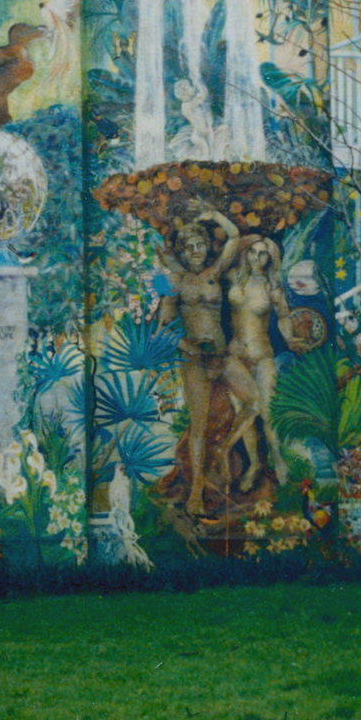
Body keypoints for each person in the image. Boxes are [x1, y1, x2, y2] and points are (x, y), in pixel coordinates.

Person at [156, 204, 242, 517]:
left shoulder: (215, 272)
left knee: (254, 401)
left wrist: (213, 214)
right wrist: (186, 345)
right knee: (199, 426)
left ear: (207, 246)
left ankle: (235, 461)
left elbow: (234, 237)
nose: (195, 251)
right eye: (189, 247)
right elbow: (162, 330)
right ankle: (196, 493)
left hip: (223, 355)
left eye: (200, 244)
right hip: (195, 359)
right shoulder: (176, 284)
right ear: (181, 251)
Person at [222, 234, 292, 492]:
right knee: (244, 415)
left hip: (263, 356)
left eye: (262, 253)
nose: (256, 257)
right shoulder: (232, 276)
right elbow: (232, 245)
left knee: (268, 414)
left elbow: (283, 317)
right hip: (235, 356)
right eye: (252, 251)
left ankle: (277, 458)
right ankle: (254, 465)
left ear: (270, 258)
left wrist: (290, 337)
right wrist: (251, 238)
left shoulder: (273, 286)